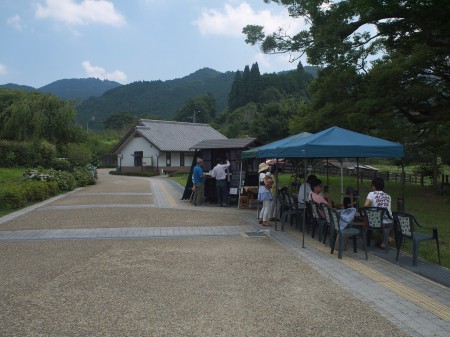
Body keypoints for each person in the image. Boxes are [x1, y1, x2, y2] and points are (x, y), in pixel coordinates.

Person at [364, 177, 394, 248]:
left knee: (368, 223)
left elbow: (365, 205)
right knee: (386, 225)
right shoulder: (388, 196)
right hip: (390, 221)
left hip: (377, 222)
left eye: (372, 185)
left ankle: (387, 237)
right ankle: (384, 243)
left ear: (374, 186)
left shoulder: (371, 194)